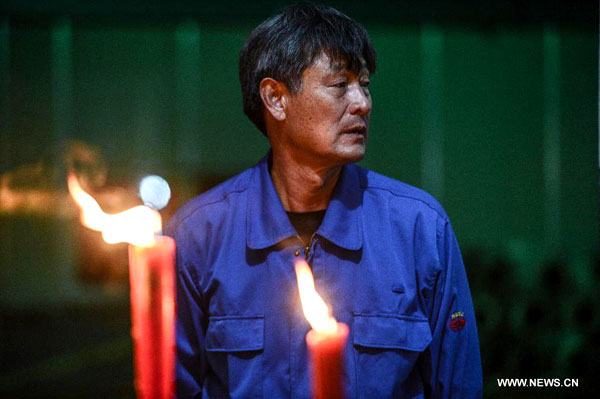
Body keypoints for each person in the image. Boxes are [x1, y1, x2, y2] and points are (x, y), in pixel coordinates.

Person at [166, 3, 482, 398]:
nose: (363, 103)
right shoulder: (199, 235)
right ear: (275, 98)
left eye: (364, 84)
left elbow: (457, 385)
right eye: (340, 85)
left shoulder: (418, 229)